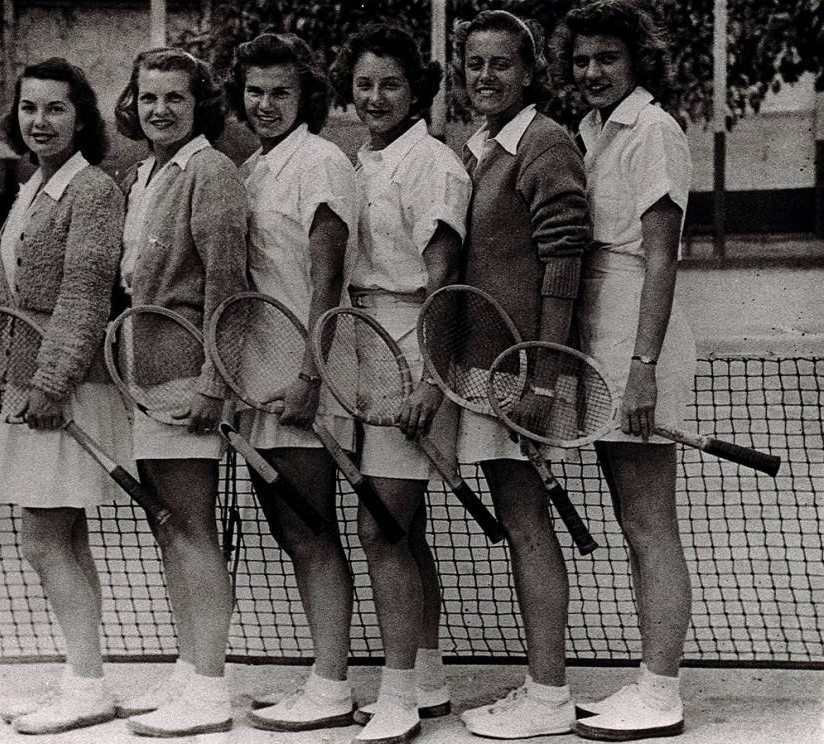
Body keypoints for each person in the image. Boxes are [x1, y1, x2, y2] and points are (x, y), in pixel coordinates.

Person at [0, 57, 126, 735]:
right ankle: (84, 681)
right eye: (30, 108)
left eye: (56, 108)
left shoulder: (93, 191)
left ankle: (85, 685)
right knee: (64, 539)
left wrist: (51, 384)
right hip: (34, 391)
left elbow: (85, 299)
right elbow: (15, 297)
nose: (41, 121)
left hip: (68, 393)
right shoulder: (34, 187)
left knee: (42, 542)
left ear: (81, 117)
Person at [552, 1, 695, 739]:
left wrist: (642, 367)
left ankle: (661, 692)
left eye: (606, 57)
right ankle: (647, 680)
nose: (592, 72)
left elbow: (663, 255)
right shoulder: (589, 132)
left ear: (637, 60)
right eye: (580, 60)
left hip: (639, 339)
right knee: (634, 521)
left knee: (648, 523)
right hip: (601, 337)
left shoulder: (656, 130)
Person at [329, 24, 471, 744]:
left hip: (414, 352)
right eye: (363, 84)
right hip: (363, 348)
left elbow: (445, 283)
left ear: (417, 89)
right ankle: (428, 678)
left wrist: (431, 384)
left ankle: (396, 699)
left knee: (380, 527)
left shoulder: (435, 165)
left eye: (389, 84)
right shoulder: (360, 160)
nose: (375, 97)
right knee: (402, 532)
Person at [451, 10, 589, 739]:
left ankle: (548, 695)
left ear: (530, 73)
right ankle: (543, 687)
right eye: (475, 63)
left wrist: (542, 381)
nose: (486, 77)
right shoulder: (476, 149)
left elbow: (564, 262)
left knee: (529, 525)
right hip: (484, 371)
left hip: (526, 376)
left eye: (501, 64)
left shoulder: (544, 142)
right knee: (520, 519)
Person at [110, 47, 249, 737]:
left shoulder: (212, 171)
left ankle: (213, 689)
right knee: (171, 531)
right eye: (149, 97)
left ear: (199, 105)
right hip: (143, 380)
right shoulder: (143, 174)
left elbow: (228, 285)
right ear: (132, 103)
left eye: (175, 97)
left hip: (188, 382)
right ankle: (189, 673)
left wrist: (214, 382)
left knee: (193, 531)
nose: (159, 109)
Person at [224, 32, 360, 734]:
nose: (266, 103)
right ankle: (323, 676)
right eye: (255, 91)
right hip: (257, 374)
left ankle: (333, 686)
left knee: (310, 528)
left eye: (281, 91)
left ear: (306, 94)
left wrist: (311, 374)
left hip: (308, 373)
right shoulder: (254, 166)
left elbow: (329, 280)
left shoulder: (322, 162)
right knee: (290, 528)